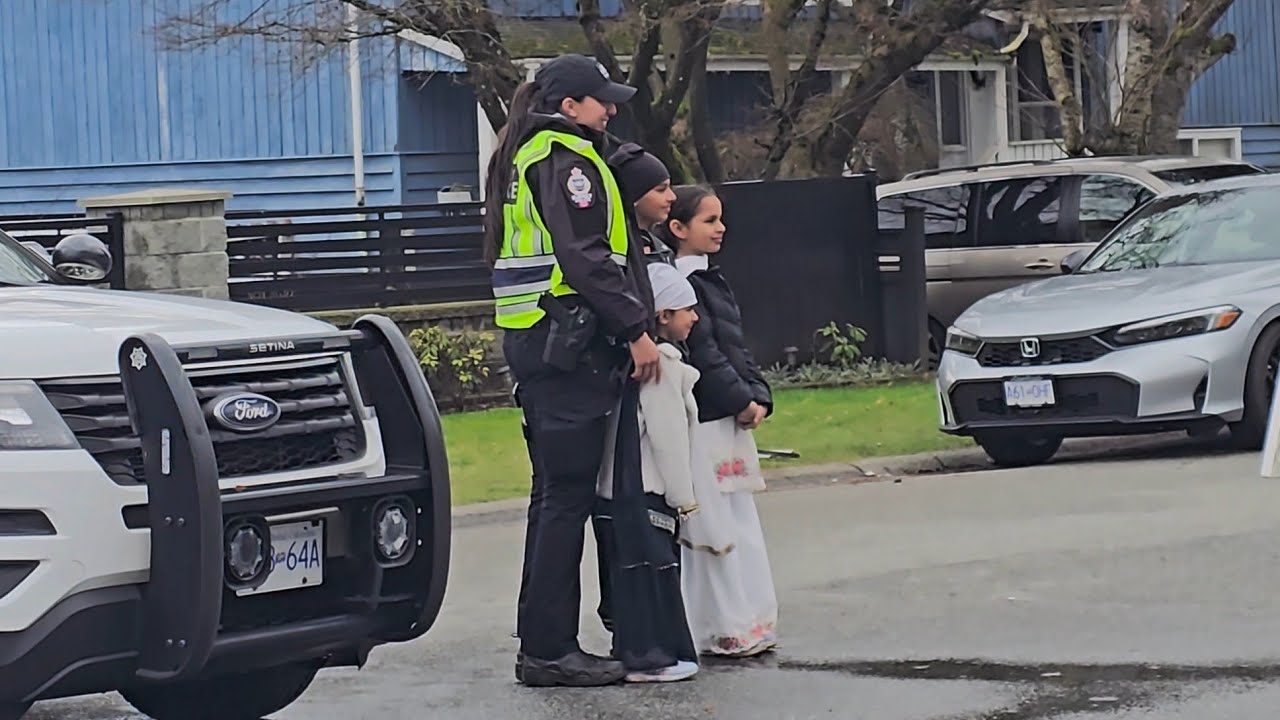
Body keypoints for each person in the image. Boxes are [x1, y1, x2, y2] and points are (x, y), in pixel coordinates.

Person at [484, 53, 663, 687]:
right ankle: (549, 650)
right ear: (569, 107)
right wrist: (637, 330)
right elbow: (587, 257)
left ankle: (545, 640)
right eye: (600, 100)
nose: (610, 109)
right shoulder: (568, 162)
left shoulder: (525, 156)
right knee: (566, 498)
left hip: (541, 342)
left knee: (554, 497)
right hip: (568, 345)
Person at [656, 185, 779, 658]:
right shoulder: (676, 286)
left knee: (741, 519)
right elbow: (701, 354)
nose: (720, 228)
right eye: (709, 221)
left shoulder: (714, 281)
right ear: (678, 228)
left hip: (731, 416)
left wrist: (758, 395)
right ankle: (717, 625)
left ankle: (752, 618)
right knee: (711, 527)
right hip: (705, 420)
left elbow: (736, 346)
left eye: (720, 219)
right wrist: (738, 399)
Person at [592, 262, 709, 683]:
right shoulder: (661, 369)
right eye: (686, 310)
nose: (694, 318)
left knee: (626, 575)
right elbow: (668, 438)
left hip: (612, 492)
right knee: (655, 573)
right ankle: (653, 657)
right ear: (663, 316)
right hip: (648, 489)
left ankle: (629, 648)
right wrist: (685, 498)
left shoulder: (621, 363)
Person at [608, 143, 677, 264]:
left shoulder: (663, 249)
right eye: (661, 190)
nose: (672, 197)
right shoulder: (613, 252)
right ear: (633, 197)